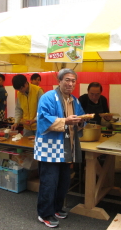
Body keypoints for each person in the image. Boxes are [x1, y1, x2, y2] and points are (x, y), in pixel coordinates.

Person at [34, 68, 87, 228]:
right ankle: (44, 214)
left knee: (64, 181)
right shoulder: (48, 97)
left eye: (73, 81)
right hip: (49, 148)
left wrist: (80, 121)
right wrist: (65, 121)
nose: (70, 84)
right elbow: (42, 119)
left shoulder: (75, 101)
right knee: (49, 182)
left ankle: (56, 208)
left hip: (66, 147)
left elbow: (81, 118)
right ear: (59, 81)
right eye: (67, 80)